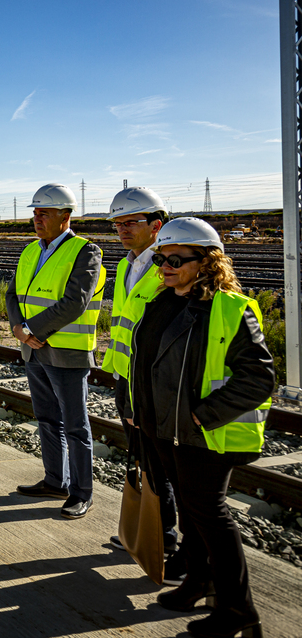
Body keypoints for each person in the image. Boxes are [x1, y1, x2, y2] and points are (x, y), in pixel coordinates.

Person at [122, 218, 274, 638]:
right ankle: (197, 582)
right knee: (190, 512)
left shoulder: (230, 309)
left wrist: (201, 415)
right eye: (159, 258)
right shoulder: (159, 300)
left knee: (211, 516)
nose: (164, 266)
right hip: (161, 429)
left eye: (175, 259)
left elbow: (259, 379)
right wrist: (133, 404)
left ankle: (238, 610)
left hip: (205, 435)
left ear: (206, 262)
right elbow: (143, 361)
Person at [6, 183, 105, 519]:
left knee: (76, 425)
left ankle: (81, 492)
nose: (37, 218)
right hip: (33, 349)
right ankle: (54, 480)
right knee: (47, 419)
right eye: (34, 213)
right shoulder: (31, 250)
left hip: (65, 352)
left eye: (44, 213)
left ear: (65, 215)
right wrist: (18, 328)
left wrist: (32, 329)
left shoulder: (85, 251)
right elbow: (13, 294)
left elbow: (75, 301)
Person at [102, 187, 183, 580]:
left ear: (157, 225)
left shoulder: (169, 265)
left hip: (153, 382)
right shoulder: (124, 266)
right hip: (126, 377)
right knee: (141, 455)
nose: (122, 230)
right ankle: (154, 531)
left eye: (130, 222)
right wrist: (119, 375)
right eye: (117, 224)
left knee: (160, 460)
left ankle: (167, 535)